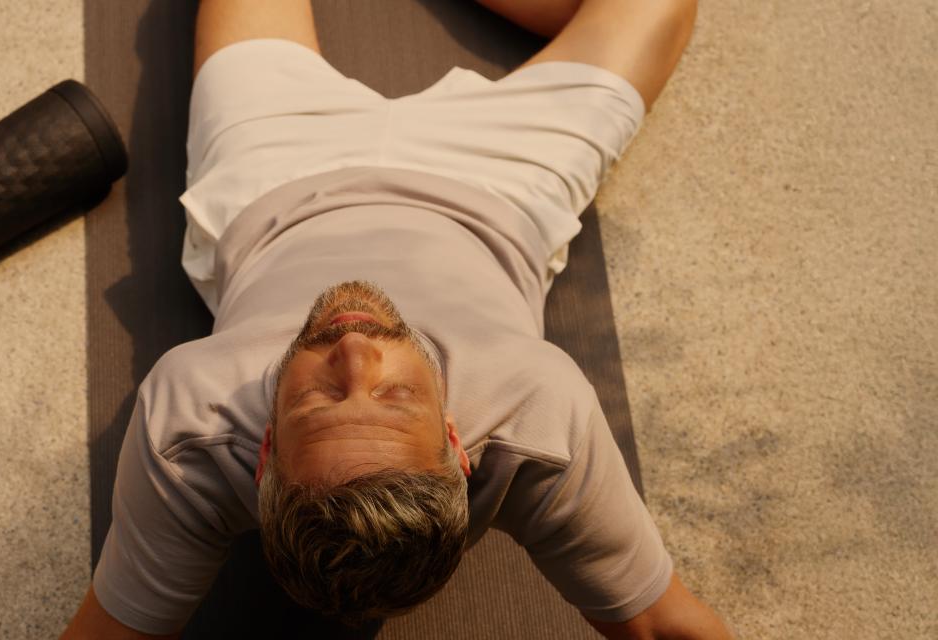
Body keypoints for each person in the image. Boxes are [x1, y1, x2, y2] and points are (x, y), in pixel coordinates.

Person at [63, 0, 733, 638]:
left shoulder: (193, 424)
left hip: (273, 171)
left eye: (320, 396)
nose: (355, 348)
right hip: (497, 187)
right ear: (453, 437)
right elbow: (660, 626)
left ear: (265, 448)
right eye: (395, 394)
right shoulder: (536, 414)